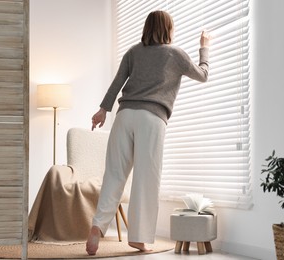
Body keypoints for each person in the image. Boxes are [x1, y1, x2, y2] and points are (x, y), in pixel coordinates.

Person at [86, 10, 210, 255]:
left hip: (124, 116)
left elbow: (117, 83)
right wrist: (204, 48)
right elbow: (203, 75)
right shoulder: (175, 54)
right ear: (169, 29)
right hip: (151, 119)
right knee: (146, 179)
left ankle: (97, 227)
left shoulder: (133, 52)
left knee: (114, 175)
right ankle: (139, 238)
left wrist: (103, 111)